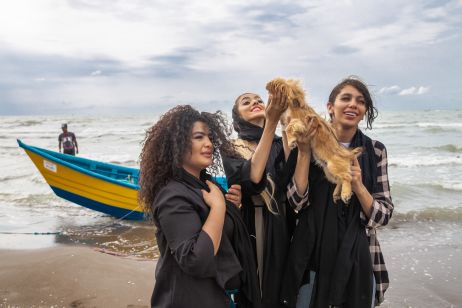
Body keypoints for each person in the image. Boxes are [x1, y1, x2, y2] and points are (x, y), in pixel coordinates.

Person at [280, 77, 394, 308]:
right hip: (312, 253)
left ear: (364, 112)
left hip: (359, 256)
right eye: (346, 98)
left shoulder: (375, 150)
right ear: (330, 107)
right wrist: (303, 152)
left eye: (360, 102)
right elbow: (295, 202)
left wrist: (358, 185)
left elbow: (383, 216)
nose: (353, 104)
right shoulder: (307, 139)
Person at [138, 105, 261, 308]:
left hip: (215, 296)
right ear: (176, 144)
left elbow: (217, 234)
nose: (209, 144)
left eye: (210, 137)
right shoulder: (172, 195)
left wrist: (231, 209)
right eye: (199, 137)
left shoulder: (204, 185)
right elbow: (196, 259)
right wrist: (219, 208)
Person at [222, 91, 295, 308]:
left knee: (284, 287)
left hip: (284, 221)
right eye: (246, 102)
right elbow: (251, 180)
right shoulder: (231, 147)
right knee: (256, 289)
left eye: (259, 100)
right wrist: (272, 122)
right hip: (252, 221)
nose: (255, 102)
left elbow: (294, 176)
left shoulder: (282, 142)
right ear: (237, 117)